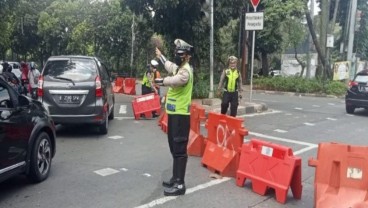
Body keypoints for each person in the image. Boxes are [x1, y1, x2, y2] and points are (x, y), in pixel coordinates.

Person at [154, 39, 193, 196]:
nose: (178, 56)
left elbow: (175, 81)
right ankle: (175, 178)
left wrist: (161, 81)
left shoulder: (186, 72)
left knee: (179, 149)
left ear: (187, 56)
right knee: (173, 147)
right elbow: (170, 66)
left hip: (181, 115)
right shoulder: (179, 68)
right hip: (174, 115)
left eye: (181, 54)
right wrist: (160, 56)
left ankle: (180, 184)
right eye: (177, 53)